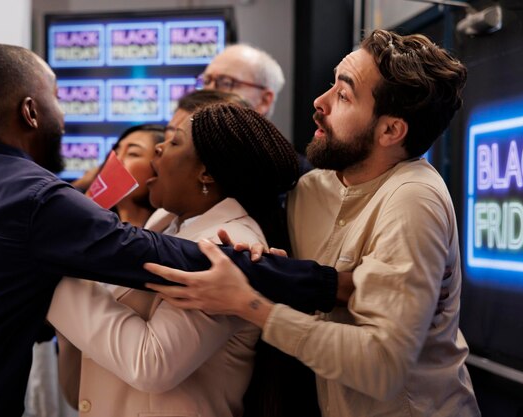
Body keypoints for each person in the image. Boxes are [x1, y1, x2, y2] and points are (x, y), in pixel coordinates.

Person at [0, 44, 343, 417]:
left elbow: (162, 285)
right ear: (30, 112)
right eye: (57, 97)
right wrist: (322, 282)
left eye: (171, 140)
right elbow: (168, 258)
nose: (155, 150)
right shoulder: (34, 199)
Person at [146, 29, 481, 416]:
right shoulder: (310, 188)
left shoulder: (413, 199)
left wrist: (249, 304)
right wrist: (272, 266)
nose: (319, 102)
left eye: (343, 95)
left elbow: (382, 366)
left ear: (391, 130)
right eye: (331, 85)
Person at [48, 93, 298, 417]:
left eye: (173, 142)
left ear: (206, 172)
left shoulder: (231, 244)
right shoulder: (165, 222)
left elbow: (152, 363)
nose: (159, 149)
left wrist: (51, 276)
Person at [22, 123, 164, 417]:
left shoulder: (169, 243)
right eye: (114, 152)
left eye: (133, 152)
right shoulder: (87, 241)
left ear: (159, 170)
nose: (115, 161)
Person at [198, 43, 313, 178]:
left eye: (226, 83)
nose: (209, 90)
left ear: (264, 101)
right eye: (207, 81)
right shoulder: (186, 158)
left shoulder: (296, 176)